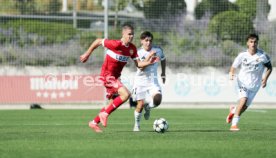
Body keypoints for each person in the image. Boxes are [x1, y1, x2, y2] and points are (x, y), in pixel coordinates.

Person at [80, 24, 157, 133]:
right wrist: (87, 54)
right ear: (123, 34)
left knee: (111, 105)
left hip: (115, 78)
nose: (131, 36)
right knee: (126, 94)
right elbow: (98, 41)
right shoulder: (115, 44)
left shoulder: (132, 49)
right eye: (129, 34)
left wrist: (149, 62)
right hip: (107, 76)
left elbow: (139, 64)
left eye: (132, 34)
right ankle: (104, 114)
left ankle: (93, 122)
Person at [226, 33, 272, 131]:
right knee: (243, 100)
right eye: (251, 42)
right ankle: (234, 125)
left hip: (255, 85)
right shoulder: (242, 55)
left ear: (257, 43)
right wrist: (231, 74)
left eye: (255, 42)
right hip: (241, 82)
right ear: (247, 43)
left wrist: (265, 79)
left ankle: (233, 111)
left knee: (244, 108)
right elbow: (234, 66)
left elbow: (269, 68)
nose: (253, 44)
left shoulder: (263, 56)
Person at [131, 31, 166, 131]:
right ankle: (137, 125)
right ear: (141, 41)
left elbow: (163, 59)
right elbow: (140, 67)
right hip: (140, 81)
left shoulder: (158, 50)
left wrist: (163, 73)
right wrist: (149, 56)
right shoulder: (138, 52)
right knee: (140, 104)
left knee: (158, 100)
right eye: (146, 40)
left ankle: (148, 107)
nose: (148, 43)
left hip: (152, 81)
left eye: (150, 41)